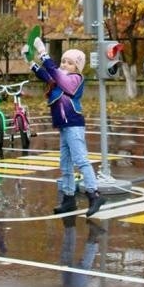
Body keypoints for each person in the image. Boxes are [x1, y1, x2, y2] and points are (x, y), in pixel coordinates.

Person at [26, 37, 104, 217]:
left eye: (69, 63)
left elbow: (56, 75)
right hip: (64, 125)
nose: (65, 65)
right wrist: (30, 61)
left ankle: (94, 194)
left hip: (74, 124)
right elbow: (47, 75)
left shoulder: (76, 79)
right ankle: (69, 198)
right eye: (63, 61)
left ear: (77, 67)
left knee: (81, 160)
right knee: (65, 163)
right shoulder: (60, 77)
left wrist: (43, 54)